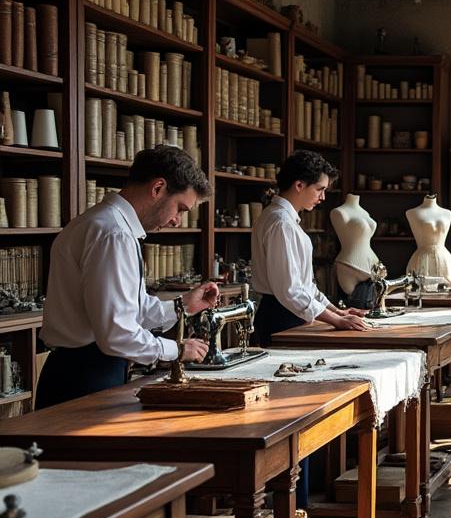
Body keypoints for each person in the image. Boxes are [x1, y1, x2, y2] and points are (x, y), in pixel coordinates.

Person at [37, 144, 219, 409]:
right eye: (180, 208)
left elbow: (130, 308)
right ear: (157, 188)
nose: (177, 221)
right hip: (86, 378)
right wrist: (177, 350)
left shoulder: (103, 223)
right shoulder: (114, 234)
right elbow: (116, 332)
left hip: (82, 370)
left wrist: (183, 306)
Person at [251, 150, 370, 346]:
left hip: (287, 313)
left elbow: (305, 286)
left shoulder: (282, 218)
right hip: (282, 318)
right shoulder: (281, 223)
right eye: (319, 189)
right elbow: (291, 291)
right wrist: (336, 320)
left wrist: (337, 311)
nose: (323, 197)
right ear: (299, 185)